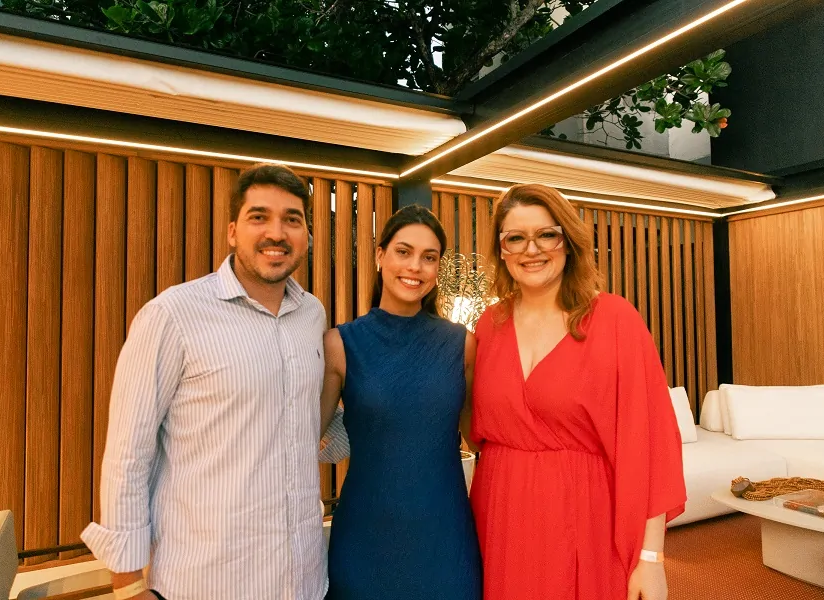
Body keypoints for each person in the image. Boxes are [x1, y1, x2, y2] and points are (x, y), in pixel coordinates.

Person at [81, 164, 332, 600]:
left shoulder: (312, 315)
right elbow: (128, 454)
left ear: (307, 235)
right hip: (204, 581)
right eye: (260, 217)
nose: (277, 232)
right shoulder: (172, 315)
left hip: (302, 580)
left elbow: (310, 424)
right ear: (233, 231)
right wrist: (126, 585)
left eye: (292, 219)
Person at [469, 184, 686, 600]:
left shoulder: (614, 319)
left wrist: (651, 557)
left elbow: (651, 444)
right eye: (515, 238)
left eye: (545, 234)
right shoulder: (488, 325)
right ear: (501, 250)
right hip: (500, 516)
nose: (531, 249)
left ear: (567, 241)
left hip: (584, 517)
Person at [318, 205, 482, 600]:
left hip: (446, 538)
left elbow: (479, 438)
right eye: (403, 252)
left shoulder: (462, 345)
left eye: (429, 257)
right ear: (380, 256)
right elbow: (302, 438)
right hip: (364, 538)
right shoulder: (340, 344)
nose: (415, 266)